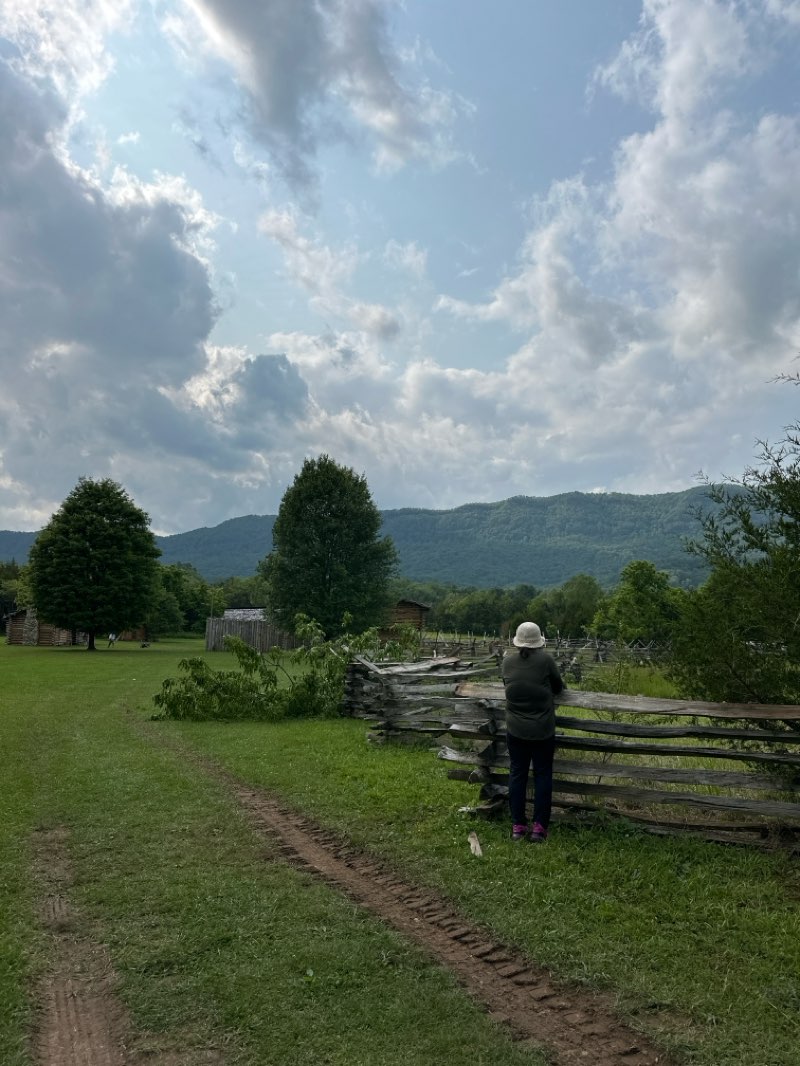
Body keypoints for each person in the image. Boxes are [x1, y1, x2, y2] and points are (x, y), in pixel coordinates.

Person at [502, 621, 564, 843]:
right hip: (542, 730)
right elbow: (558, 687)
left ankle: (518, 825)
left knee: (517, 774)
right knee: (542, 775)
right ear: (539, 642)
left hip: (515, 728)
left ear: (518, 642)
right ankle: (539, 828)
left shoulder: (507, 662)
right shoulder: (546, 660)